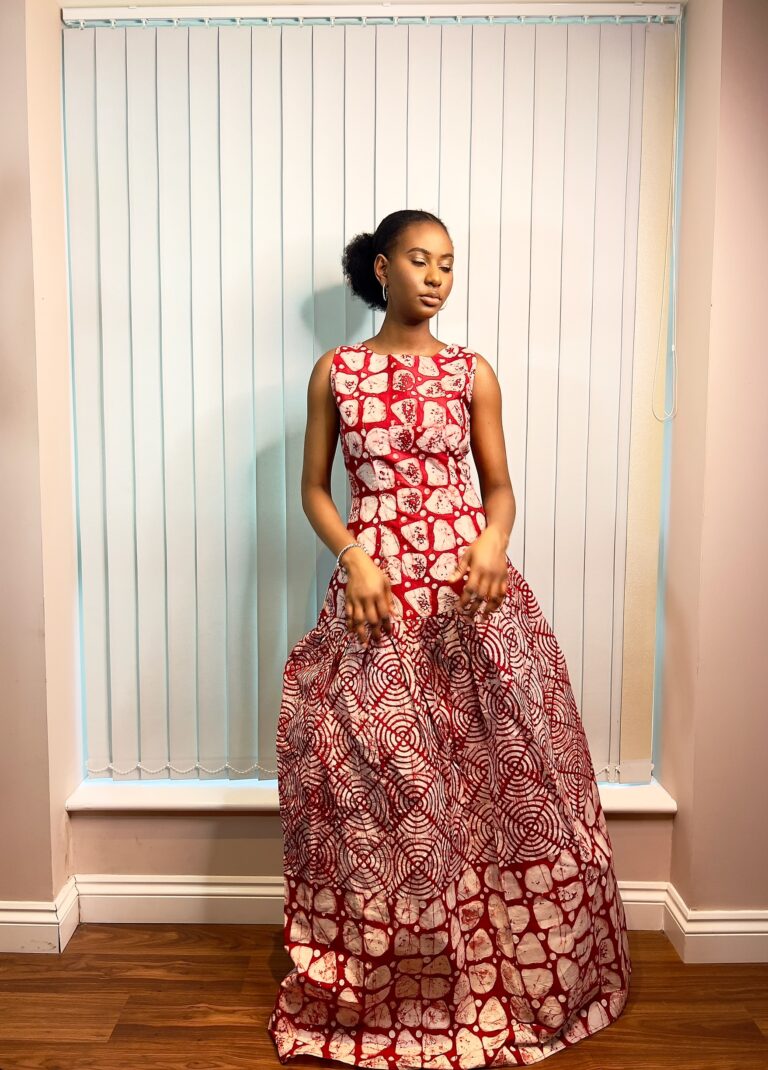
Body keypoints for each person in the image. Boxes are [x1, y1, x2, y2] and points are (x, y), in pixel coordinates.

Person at [267, 209, 631, 1068]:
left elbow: (498, 488)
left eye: (449, 265)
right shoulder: (337, 373)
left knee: (496, 782)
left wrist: (493, 542)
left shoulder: (473, 374)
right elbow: (315, 490)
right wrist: (355, 558)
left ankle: (505, 968)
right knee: (381, 795)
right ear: (381, 270)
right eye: (420, 261)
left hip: (470, 599)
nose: (436, 277)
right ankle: (401, 979)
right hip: (377, 600)